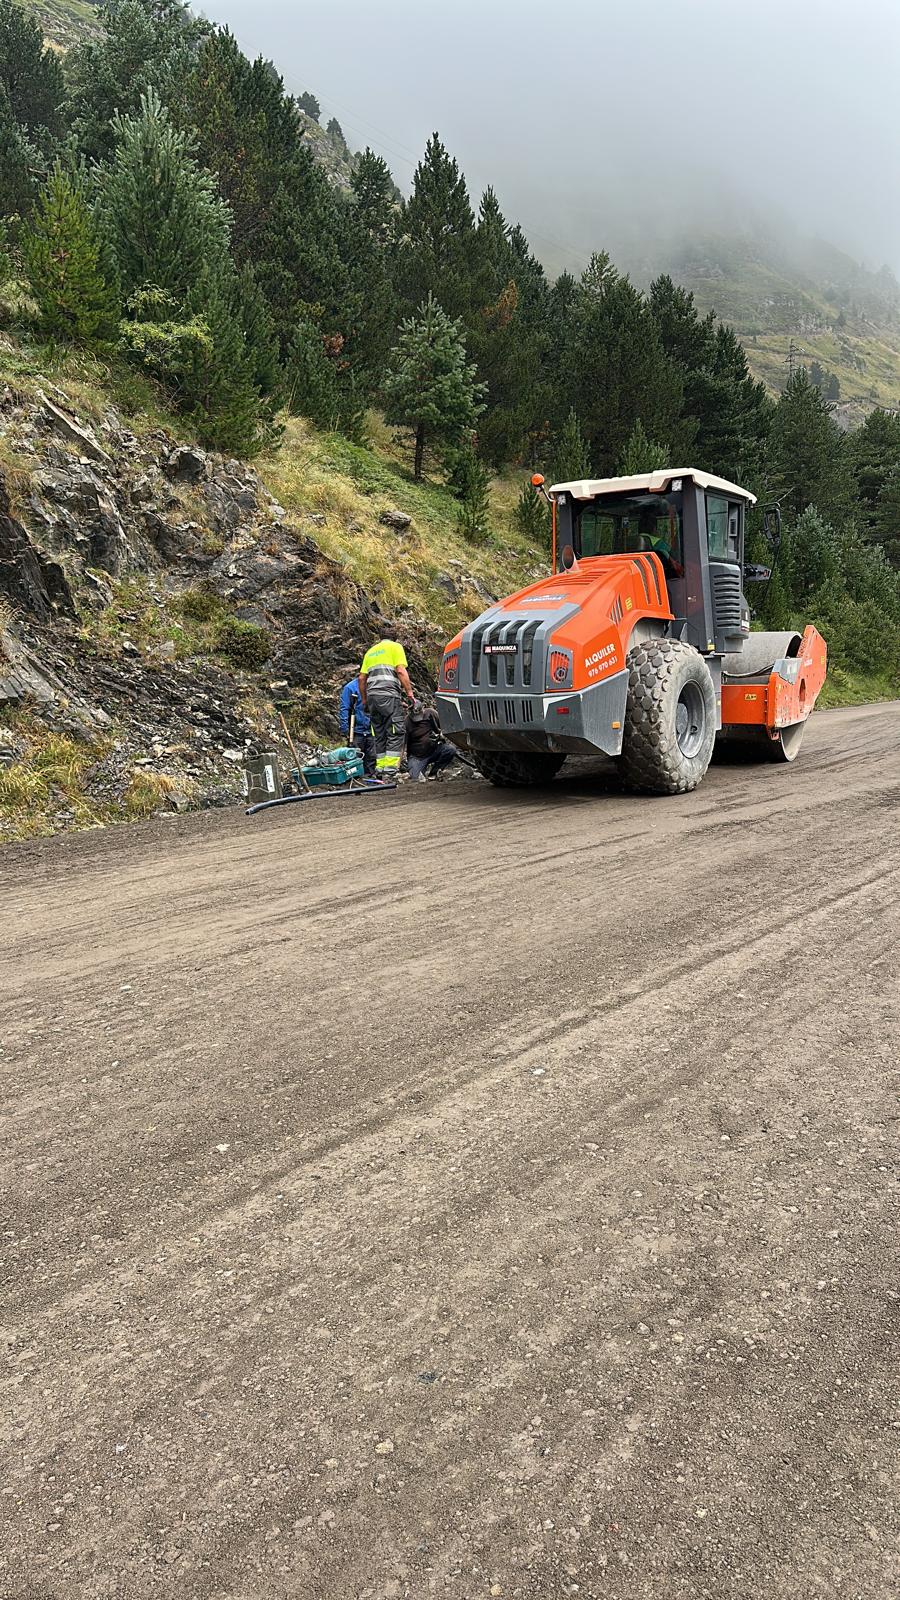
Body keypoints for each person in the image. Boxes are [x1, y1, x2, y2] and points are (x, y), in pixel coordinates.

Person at [359, 637, 413, 781]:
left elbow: (361, 678)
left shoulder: (370, 652)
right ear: (394, 638)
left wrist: (365, 700)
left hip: (372, 698)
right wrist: (409, 693)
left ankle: (380, 769)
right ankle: (390, 772)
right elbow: (401, 671)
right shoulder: (395, 647)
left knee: (379, 733)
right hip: (388, 695)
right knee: (396, 731)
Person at [405, 700, 457, 782]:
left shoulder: (431, 713)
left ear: (423, 708)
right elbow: (402, 744)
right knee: (416, 778)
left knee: (450, 750)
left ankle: (434, 773)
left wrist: (442, 735)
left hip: (434, 750)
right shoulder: (407, 722)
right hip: (417, 757)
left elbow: (444, 727)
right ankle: (420, 771)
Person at [339, 673, 376, 777]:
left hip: (371, 729)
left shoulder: (374, 686)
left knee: (372, 757)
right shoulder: (350, 688)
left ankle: (370, 778)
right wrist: (344, 728)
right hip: (356, 730)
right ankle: (357, 779)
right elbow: (344, 708)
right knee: (355, 757)